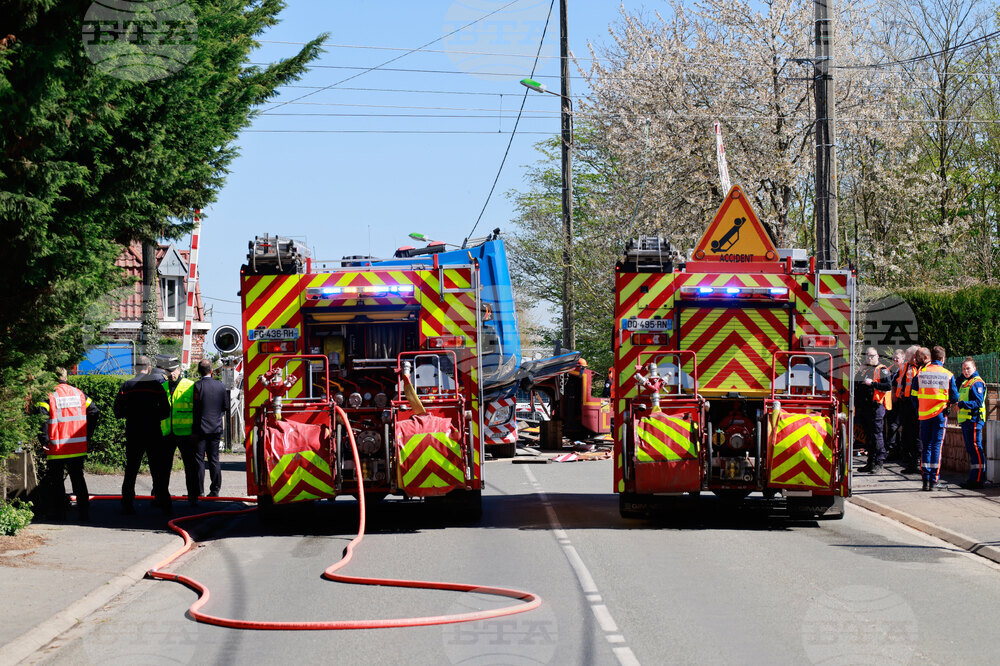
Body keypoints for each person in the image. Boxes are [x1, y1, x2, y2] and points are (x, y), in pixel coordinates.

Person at [36, 368, 96, 521]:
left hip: (56, 446)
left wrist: (44, 439)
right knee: (78, 479)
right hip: (76, 445)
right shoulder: (79, 393)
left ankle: (59, 513)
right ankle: (84, 513)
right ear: (66, 378)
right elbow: (94, 411)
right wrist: (87, 434)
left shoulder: (49, 395)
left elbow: (41, 418)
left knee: (56, 480)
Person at [114, 355, 170, 514]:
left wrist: (130, 415)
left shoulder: (127, 385)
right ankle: (163, 502)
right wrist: (153, 416)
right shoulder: (156, 385)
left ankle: (127, 503)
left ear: (135, 368)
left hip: (133, 431)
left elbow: (117, 410)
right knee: (157, 469)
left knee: (131, 468)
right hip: (153, 431)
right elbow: (166, 410)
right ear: (149, 368)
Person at [913, 345, 960, 491]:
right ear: (943, 359)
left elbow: (913, 396)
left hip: (924, 414)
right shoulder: (948, 374)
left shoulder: (920, 373)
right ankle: (934, 481)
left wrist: (919, 409)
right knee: (936, 447)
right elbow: (955, 396)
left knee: (925, 446)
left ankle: (925, 481)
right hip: (940, 414)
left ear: (931, 358)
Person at [158, 355, 197, 507]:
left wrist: (195, 432)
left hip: (186, 434)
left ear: (179, 370)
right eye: (169, 371)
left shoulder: (190, 385)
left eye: (174, 371)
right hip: (167, 433)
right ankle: (162, 496)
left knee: (190, 467)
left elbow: (197, 410)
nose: (172, 374)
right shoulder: (163, 388)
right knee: (164, 467)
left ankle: (193, 497)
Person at [192, 359, 229, 498]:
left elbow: (195, 409)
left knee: (199, 460)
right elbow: (226, 406)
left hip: (201, 429)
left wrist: (194, 430)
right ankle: (215, 490)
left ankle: (199, 490)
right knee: (214, 459)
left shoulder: (197, 386)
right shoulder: (220, 386)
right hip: (216, 428)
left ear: (199, 371)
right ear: (211, 370)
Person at [858, 348, 892, 474]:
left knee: (877, 435)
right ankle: (870, 462)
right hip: (865, 407)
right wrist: (860, 372)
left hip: (876, 407)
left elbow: (888, 386)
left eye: (871, 356)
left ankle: (879, 462)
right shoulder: (866, 369)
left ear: (877, 356)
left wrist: (872, 384)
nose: (869, 358)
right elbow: (856, 385)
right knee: (869, 436)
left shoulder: (882, 370)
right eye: (867, 356)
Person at [956, 357, 987, 489]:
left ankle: (978, 479)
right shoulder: (966, 382)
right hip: (967, 420)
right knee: (971, 449)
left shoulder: (977, 383)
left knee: (976, 448)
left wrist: (962, 404)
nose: (966, 371)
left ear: (974, 368)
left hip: (974, 419)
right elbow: (955, 384)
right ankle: (974, 478)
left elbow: (977, 402)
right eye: (963, 369)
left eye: (968, 368)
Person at [895, 346, 922, 474]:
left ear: (914, 356)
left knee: (915, 435)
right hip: (906, 403)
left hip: (916, 405)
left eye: (908, 355)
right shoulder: (906, 367)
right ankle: (910, 461)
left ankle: (916, 462)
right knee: (907, 434)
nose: (906, 358)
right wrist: (899, 393)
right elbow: (899, 381)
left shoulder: (921, 368)